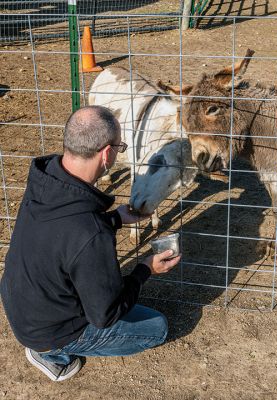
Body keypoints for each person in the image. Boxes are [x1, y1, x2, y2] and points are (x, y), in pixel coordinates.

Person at [0, 105, 181, 382]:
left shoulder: (46, 178)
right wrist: (146, 269)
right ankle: (52, 356)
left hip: (22, 305)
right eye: (119, 148)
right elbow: (105, 316)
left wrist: (114, 219)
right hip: (50, 331)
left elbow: (62, 236)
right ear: (107, 153)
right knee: (157, 327)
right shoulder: (89, 232)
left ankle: (44, 342)